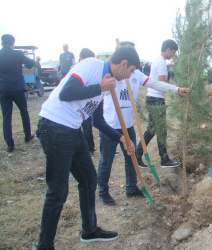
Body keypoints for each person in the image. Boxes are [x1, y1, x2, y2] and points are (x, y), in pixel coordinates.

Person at [35, 46, 139, 248]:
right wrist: (99, 88)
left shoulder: (107, 83)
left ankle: (89, 230)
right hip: (54, 126)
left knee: (89, 180)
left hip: (72, 130)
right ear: (123, 63)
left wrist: (121, 139)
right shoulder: (92, 66)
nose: (129, 75)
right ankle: (44, 245)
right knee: (58, 191)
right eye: (131, 70)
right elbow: (67, 92)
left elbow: (97, 122)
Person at [93, 41, 188, 205]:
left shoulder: (135, 75)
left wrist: (176, 89)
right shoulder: (110, 76)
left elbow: (156, 83)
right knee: (106, 161)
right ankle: (103, 191)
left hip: (127, 126)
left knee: (131, 158)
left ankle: (131, 188)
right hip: (110, 126)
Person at [136, 39, 181, 168]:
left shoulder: (159, 61)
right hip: (156, 100)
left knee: (155, 129)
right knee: (157, 130)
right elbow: (162, 84)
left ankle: (157, 157)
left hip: (155, 99)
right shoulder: (161, 62)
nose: (173, 55)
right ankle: (161, 159)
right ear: (168, 49)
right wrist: (177, 90)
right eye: (173, 52)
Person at [0, 34, 35, 152]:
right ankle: (27, 135)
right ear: (13, 43)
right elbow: (31, 63)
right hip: (17, 87)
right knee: (24, 111)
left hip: (3, 88)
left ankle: (10, 144)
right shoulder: (17, 54)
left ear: (2, 43)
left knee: (6, 116)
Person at [79, 48, 97, 157]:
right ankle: (88, 150)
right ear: (81, 59)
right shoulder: (76, 71)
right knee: (86, 128)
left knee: (94, 125)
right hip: (81, 107)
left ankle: (90, 149)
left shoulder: (91, 71)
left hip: (92, 104)